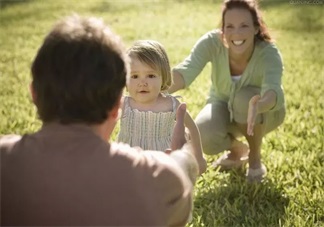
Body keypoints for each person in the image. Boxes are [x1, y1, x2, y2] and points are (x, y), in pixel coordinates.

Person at [0, 15, 199, 226]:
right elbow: (181, 174)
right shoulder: (159, 180)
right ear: (117, 106)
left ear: (34, 95)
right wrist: (185, 156)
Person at [168, 0, 286, 182]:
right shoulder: (212, 43)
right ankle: (238, 150)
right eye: (229, 26)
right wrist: (154, 89)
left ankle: (255, 159)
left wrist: (259, 104)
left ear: (256, 28)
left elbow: (273, 90)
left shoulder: (269, 53)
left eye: (244, 26)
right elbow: (185, 71)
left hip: (265, 113)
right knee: (201, 133)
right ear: (223, 29)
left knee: (244, 99)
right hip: (223, 105)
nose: (236, 33)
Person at [117, 40, 207, 175]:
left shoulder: (171, 105)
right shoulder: (124, 105)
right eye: (134, 76)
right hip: (130, 162)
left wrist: (199, 158)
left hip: (164, 161)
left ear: (163, 76)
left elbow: (192, 128)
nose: (142, 83)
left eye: (151, 75)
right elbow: (102, 129)